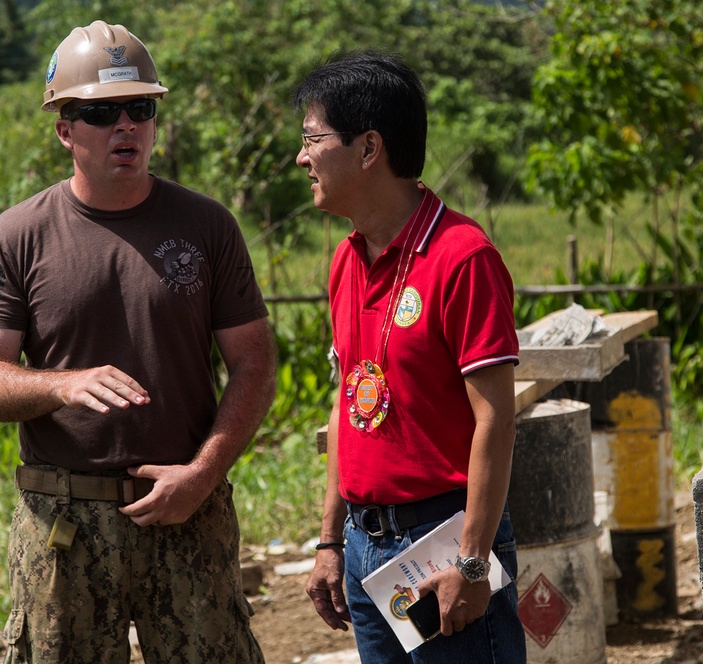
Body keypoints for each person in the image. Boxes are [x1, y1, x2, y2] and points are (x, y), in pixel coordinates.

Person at [0, 20, 275, 664]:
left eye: (140, 108)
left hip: (187, 508)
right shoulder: (18, 235)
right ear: (64, 129)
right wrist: (59, 383)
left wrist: (203, 475)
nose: (125, 126)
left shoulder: (208, 225)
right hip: (63, 525)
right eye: (101, 113)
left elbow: (255, 366)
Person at [293, 51, 527, 663]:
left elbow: (495, 421)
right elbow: (349, 399)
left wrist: (473, 563)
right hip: (366, 550)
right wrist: (329, 542)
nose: (302, 158)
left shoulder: (462, 257)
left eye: (313, 139)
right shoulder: (346, 259)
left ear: (369, 148)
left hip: (444, 544)